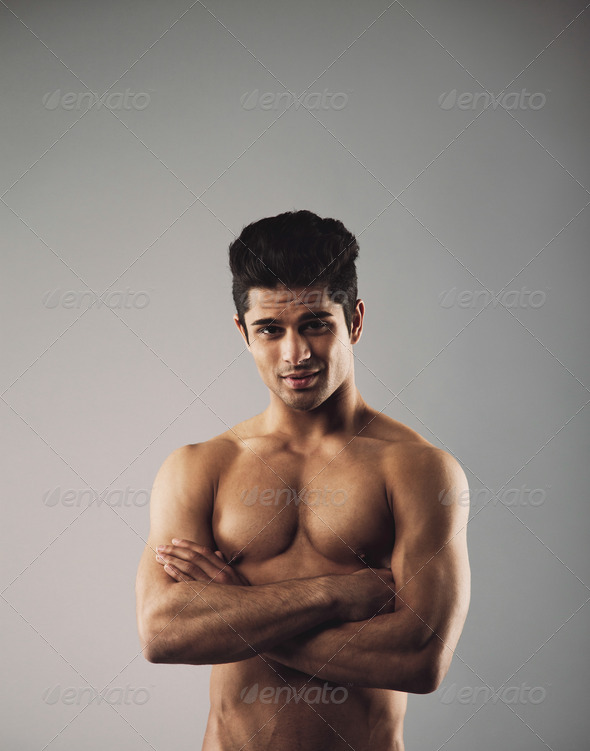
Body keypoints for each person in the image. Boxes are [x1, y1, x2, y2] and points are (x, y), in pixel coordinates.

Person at [135, 209, 471, 751]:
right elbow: (162, 632)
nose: (296, 354)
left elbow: (419, 659)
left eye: (316, 323)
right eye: (271, 330)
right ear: (243, 333)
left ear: (354, 321)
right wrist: (336, 594)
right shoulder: (201, 467)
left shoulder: (416, 469)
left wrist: (235, 610)